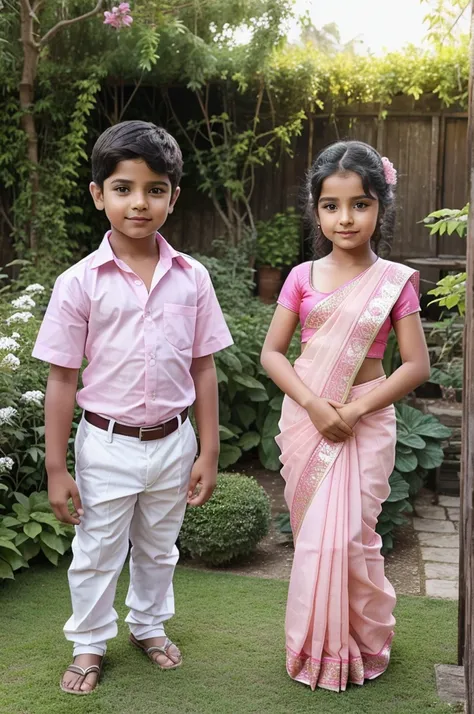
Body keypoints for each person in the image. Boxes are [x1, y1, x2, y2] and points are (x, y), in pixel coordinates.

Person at [32, 120, 233, 695]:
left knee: (158, 547)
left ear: (173, 196)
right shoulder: (78, 284)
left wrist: (210, 450)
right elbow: (63, 377)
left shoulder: (193, 278)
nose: (138, 202)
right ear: (98, 194)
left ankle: (148, 626)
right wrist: (55, 467)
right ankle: (90, 642)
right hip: (106, 443)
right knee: (96, 551)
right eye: (123, 188)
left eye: (154, 189)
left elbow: (204, 366)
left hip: (175, 442)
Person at [260, 140, 430, 692]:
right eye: (331, 205)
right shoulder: (302, 276)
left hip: (368, 419)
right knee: (316, 540)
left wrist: (354, 409)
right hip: (309, 421)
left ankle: (361, 642)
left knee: (353, 538)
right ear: (316, 210)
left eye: (359, 203)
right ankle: (316, 649)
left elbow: (416, 365)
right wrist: (315, 405)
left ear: (380, 205)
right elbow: (271, 353)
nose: (345, 217)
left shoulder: (395, 282)